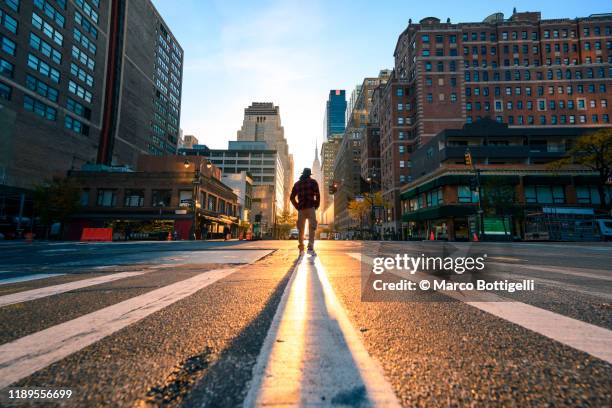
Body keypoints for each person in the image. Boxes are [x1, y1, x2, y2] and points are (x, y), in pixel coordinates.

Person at [290, 168, 320, 252]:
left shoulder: (297, 184)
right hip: (311, 207)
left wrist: (297, 206)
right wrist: (316, 205)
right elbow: (317, 195)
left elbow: (292, 197)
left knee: (301, 228)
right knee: (312, 227)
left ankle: (301, 245)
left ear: (302, 174)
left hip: (301, 209)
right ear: (309, 175)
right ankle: (310, 245)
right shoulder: (313, 182)